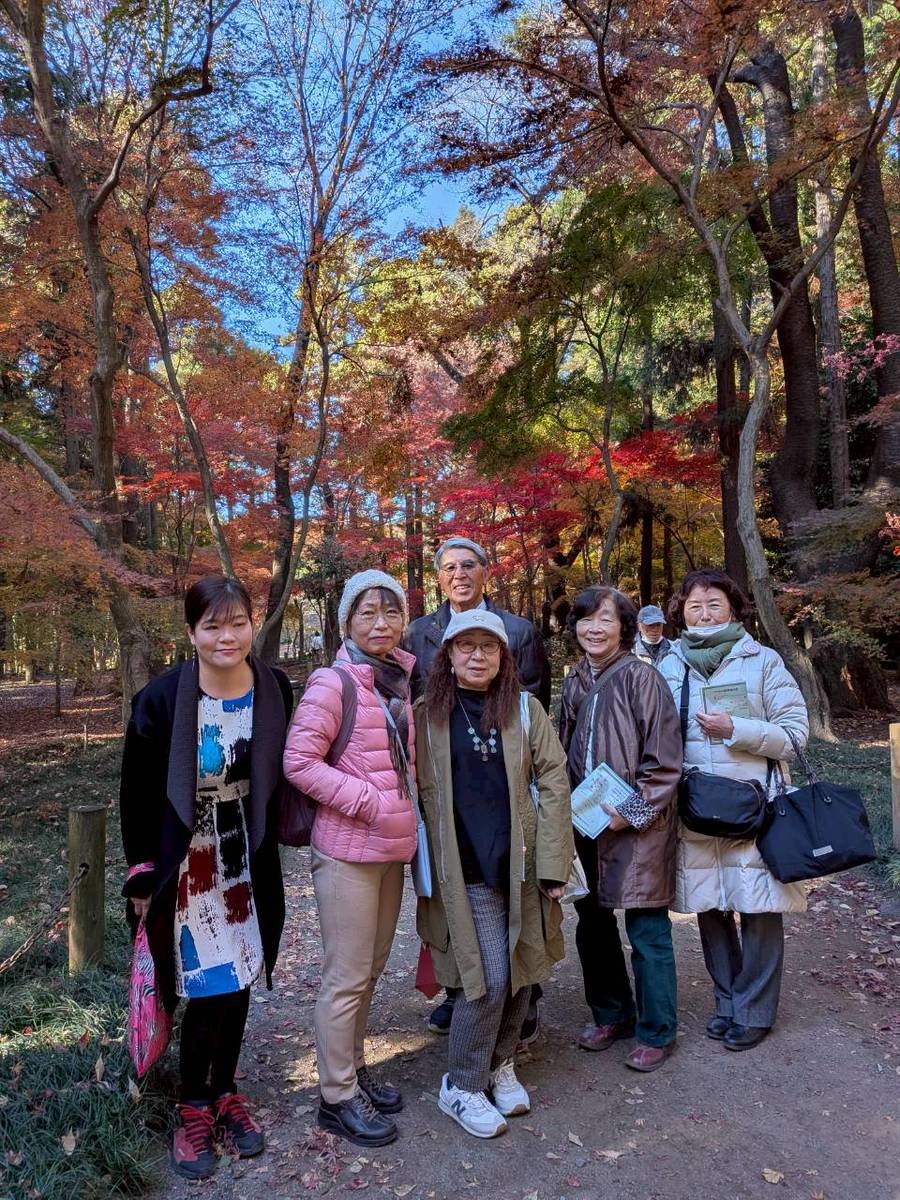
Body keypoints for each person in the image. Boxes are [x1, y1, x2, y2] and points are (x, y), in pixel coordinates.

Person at [120, 575, 293, 1180]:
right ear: (191, 631)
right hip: (183, 860)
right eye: (212, 625)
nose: (227, 636)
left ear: (253, 623)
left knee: (240, 970)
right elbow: (137, 793)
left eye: (237, 622)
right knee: (202, 980)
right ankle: (193, 1103)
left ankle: (224, 1092)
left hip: (244, 854)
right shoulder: (161, 699)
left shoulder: (273, 687)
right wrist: (142, 877)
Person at [414, 609, 573, 1138]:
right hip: (465, 867)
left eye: (488, 646)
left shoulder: (525, 710)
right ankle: (461, 1084)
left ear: (504, 657)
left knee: (523, 969)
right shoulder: (426, 715)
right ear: (449, 656)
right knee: (488, 978)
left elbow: (554, 782)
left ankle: (499, 1063)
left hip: (520, 864)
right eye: (466, 646)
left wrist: (553, 863)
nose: (477, 655)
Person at [283, 570, 417, 1147]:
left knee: (372, 968)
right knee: (347, 975)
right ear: (346, 622)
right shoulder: (332, 682)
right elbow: (299, 761)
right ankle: (335, 1098)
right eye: (367, 612)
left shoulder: (398, 678)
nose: (380, 622)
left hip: (390, 849)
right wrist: (366, 801)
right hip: (347, 851)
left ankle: (354, 1069)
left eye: (391, 611)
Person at [403, 536, 551, 1034]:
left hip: (502, 779)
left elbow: (533, 704)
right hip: (450, 782)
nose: (459, 574)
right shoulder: (419, 632)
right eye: (449, 567)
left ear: (486, 572)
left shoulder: (519, 630)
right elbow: (414, 706)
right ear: (438, 578)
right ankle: (461, 994)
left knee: (518, 897)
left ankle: (523, 1000)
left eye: (469, 565)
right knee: (454, 899)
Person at [659, 568, 809, 1052]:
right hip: (696, 807)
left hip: (754, 806)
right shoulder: (669, 664)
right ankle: (728, 1002)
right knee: (710, 907)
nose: (704, 614)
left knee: (759, 907)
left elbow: (795, 735)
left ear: (733, 608)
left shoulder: (762, 661)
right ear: (681, 613)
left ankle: (754, 1010)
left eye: (714, 605)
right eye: (694, 606)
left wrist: (736, 730)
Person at [565, 587, 682, 1072]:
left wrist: (631, 811)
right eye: (586, 619)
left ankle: (657, 1031)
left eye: (606, 619)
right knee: (591, 923)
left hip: (638, 825)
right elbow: (563, 748)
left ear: (625, 628)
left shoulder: (642, 677)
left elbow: (666, 762)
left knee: (647, 928)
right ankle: (613, 1014)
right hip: (585, 823)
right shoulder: (575, 679)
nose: (594, 629)